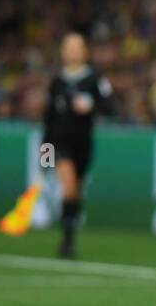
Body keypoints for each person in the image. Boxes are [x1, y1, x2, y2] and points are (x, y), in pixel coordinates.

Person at [42, 32, 114, 258]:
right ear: (63, 51)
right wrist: (45, 149)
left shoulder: (94, 78)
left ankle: (68, 234)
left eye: (77, 47)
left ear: (85, 52)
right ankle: (67, 242)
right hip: (60, 142)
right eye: (68, 47)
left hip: (83, 143)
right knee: (69, 185)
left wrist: (91, 105)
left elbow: (110, 106)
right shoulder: (57, 81)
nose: (72, 51)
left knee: (75, 193)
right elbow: (49, 117)